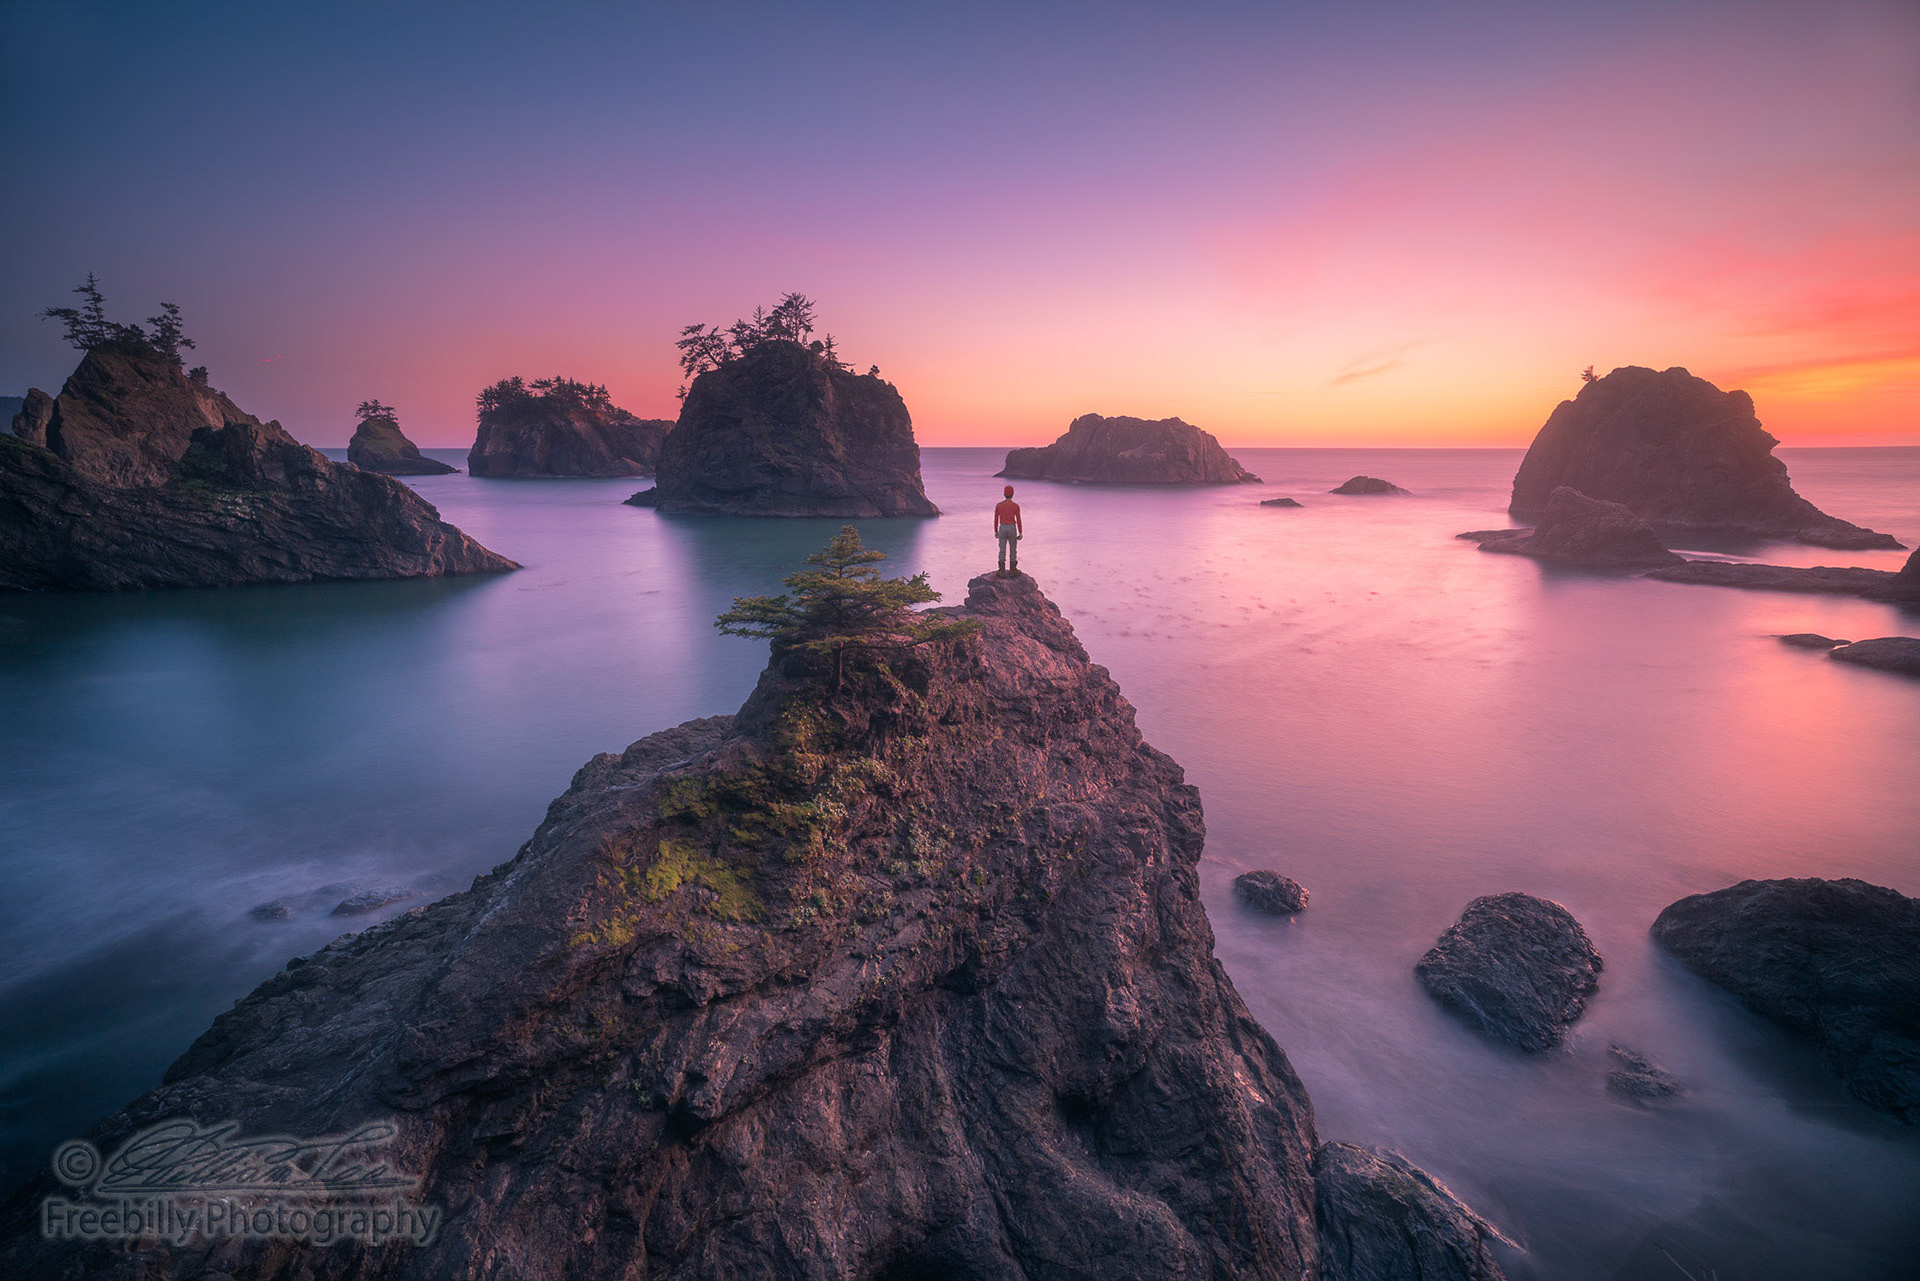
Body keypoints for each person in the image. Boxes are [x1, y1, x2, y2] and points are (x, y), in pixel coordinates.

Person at [994, 485, 1022, 577]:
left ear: (1004, 494)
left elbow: (996, 519)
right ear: (1013, 494)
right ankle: (1013, 570)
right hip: (1012, 528)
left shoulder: (999, 505)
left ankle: (1001, 570)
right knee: (1013, 549)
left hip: (1002, 527)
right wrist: (1020, 532)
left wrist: (996, 531)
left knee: (1002, 549)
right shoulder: (1016, 506)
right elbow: (1018, 519)